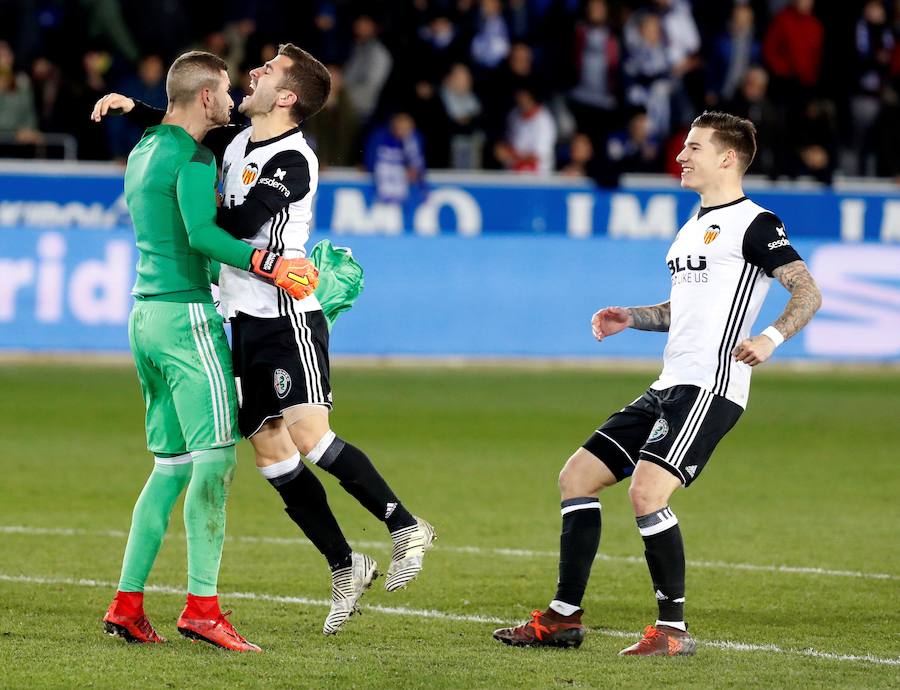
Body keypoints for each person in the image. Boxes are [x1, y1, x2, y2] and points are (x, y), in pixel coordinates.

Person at [93, 43, 435, 637]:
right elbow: (189, 122)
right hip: (242, 318)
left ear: (286, 97)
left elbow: (239, 224)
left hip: (287, 316)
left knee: (308, 435)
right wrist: (143, 112)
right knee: (271, 453)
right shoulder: (236, 143)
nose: (253, 72)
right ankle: (345, 563)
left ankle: (405, 525)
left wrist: (192, 211)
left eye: (267, 70)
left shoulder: (292, 159)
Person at [492, 111, 822, 655]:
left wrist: (770, 339)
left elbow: (807, 291)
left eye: (694, 147)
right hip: (671, 381)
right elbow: (685, 309)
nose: (681, 156)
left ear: (728, 157)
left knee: (647, 493)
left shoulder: (758, 224)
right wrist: (632, 316)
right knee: (577, 476)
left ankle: (673, 631)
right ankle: (562, 619)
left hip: (712, 385)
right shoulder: (693, 225)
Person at [93, 51, 317, 652]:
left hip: (144, 317)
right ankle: (202, 608)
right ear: (204, 98)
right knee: (216, 463)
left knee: (169, 469)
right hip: (189, 317)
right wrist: (269, 263)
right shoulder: (194, 158)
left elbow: (167, 128)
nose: (231, 97)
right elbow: (202, 233)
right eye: (222, 90)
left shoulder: (147, 148)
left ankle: (127, 602)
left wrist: (134, 105)